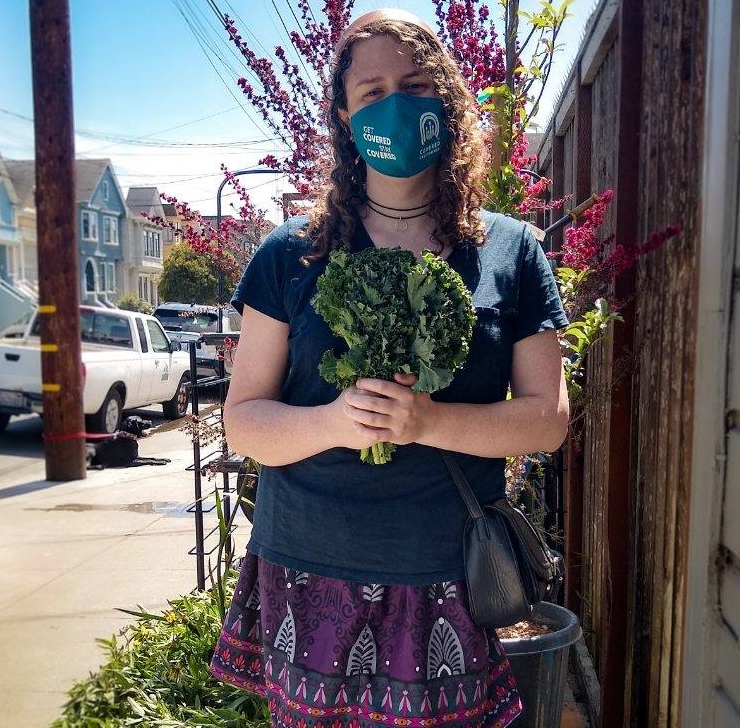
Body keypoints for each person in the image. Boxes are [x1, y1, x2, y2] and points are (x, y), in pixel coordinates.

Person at [210, 9, 570, 727]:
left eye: (414, 84)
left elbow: (547, 420)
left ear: (450, 101)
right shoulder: (289, 254)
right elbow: (245, 421)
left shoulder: (511, 252)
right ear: (344, 116)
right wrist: (335, 420)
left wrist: (428, 419)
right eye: (371, 92)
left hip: (444, 574)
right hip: (309, 568)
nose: (395, 105)